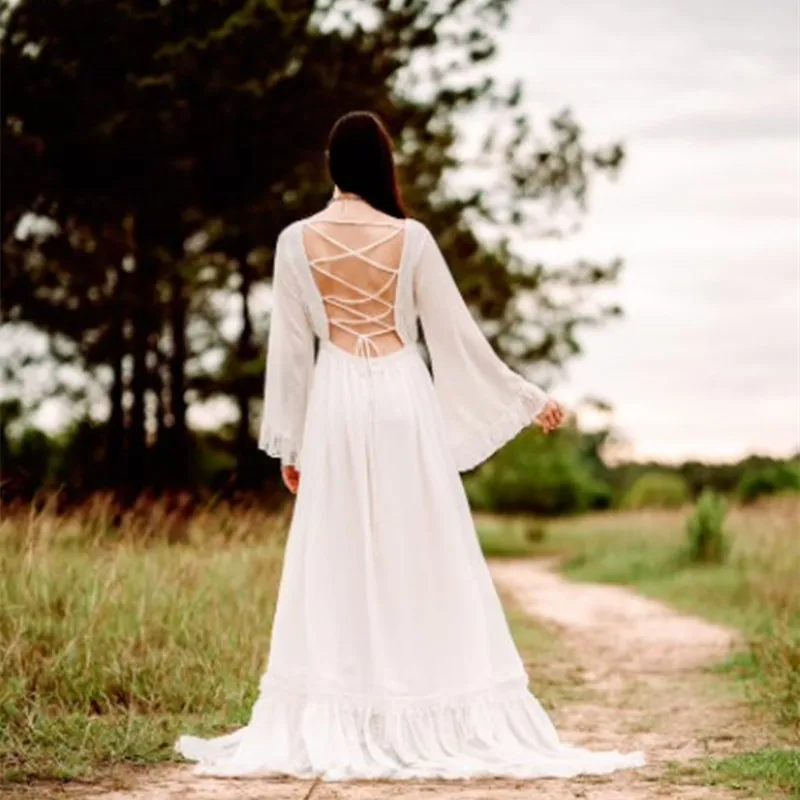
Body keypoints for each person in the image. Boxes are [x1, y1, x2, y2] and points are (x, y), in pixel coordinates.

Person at [177, 111, 644, 780]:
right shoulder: (413, 239)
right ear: (382, 164)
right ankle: (419, 702)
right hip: (402, 398)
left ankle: (356, 707)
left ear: (332, 164)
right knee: (419, 548)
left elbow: (291, 354)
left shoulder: (292, 242)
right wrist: (525, 395)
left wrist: (291, 444)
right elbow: (456, 336)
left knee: (340, 553)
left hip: (336, 403)